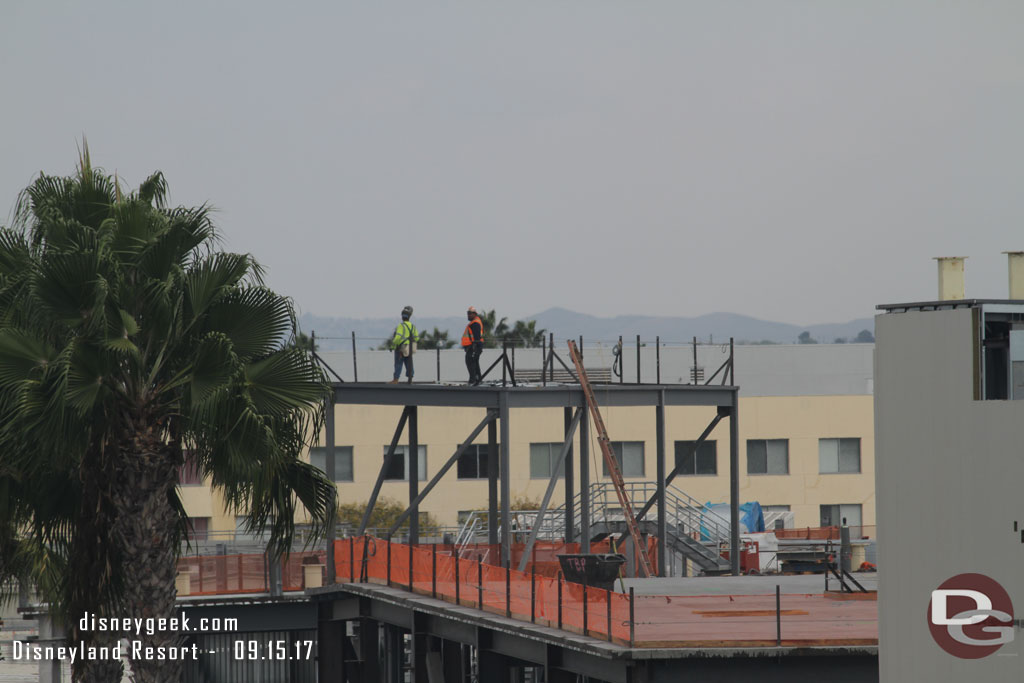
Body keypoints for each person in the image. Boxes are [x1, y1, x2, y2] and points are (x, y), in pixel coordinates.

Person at [389, 305, 420, 383]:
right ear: (409, 316)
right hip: (409, 348)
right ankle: (410, 378)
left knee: (398, 363)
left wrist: (392, 346)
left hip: (401, 348)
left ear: (402, 316)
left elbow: (397, 337)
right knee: (409, 363)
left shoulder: (401, 326)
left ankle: (395, 379)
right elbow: (417, 338)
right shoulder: (413, 326)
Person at [462, 306, 484, 384]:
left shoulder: (475, 323)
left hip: (474, 347)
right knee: (474, 363)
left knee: (470, 362)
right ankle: (478, 379)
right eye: (468, 313)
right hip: (473, 347)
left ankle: (473, 380)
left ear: (475, 314)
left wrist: (474, 348)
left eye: (470, 314)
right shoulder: (474, 323)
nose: (468, 315)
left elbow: (476, 337)